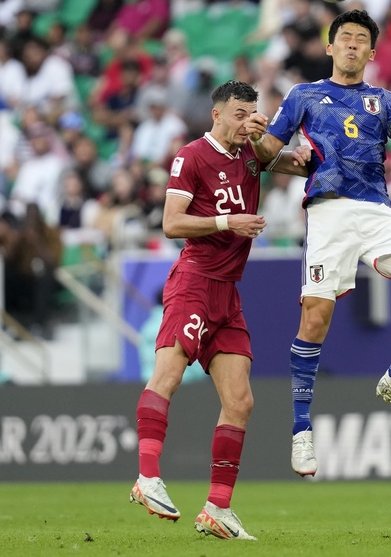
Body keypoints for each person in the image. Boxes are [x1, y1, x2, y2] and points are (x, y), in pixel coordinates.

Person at [249, 9, 391, 478]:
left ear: (372, 52)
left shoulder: (385, 101)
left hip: (377, 211)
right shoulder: (303, 96)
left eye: (362, 40)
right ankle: (301, 432)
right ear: (330, 46)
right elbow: (264, 154)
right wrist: (260, 137)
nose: (353, 46)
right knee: (315, 318)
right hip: (329, 213)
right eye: (345, 38)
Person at [130, 80, 310, 540]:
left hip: (228, 293)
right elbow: (171, 223)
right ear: (216, 114)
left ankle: (218, 508)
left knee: (241, 401)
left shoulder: (252, 153)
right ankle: (147, 477)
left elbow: (293, 164)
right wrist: (228, 221)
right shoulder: (191, 156)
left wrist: (291, 146)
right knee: (167, 375)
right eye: (237, 113)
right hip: (193, 283)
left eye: (251, 112)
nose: (245, 120)